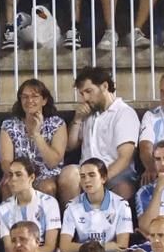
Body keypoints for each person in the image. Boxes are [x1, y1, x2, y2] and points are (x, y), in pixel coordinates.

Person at [60, 66, 140, 202]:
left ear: (104, 86)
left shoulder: (124, 113)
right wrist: (78, 119)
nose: (85, 98)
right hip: (86, 171)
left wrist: (100, 178)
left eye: (89, 91)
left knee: (124, 189)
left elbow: (124, 159)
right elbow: (70, 146)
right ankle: (73, 220)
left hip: (115, 174)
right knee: (68, 174)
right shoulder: (88, 113)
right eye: (82, 93)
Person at [0, 79, 67, 195]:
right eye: (25, 97)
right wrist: (14, 176)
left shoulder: (57, 124)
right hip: (19, 174)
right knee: (6, 186)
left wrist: (36, 135)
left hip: (47, 175)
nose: (29, 100)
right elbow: (6, 161)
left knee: (48, 187)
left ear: (44, 100)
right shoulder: (9, 125)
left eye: (35, 96)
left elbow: (53, 162)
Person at [0, 159, 63, 252]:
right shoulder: (3, 208)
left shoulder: (49, 202)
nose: (13, 179)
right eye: (10, 175)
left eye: (18, 174)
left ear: (31, 177)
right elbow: (8, 248)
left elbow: (49, 248)